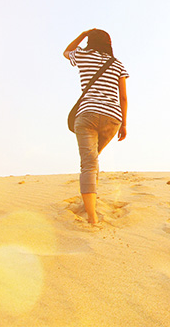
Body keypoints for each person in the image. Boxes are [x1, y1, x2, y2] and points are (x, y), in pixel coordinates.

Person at [63, 28, 129, 224]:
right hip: (112, 119)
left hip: (88, 115)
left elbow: (66, 52)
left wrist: (82, 34)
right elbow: (123, 97)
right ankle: (90, 202)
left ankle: (91, 217)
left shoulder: (83, 56)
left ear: (90, 41)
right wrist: (124, 124)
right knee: (93, 160)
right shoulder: (117, 65)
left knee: (89, 164)